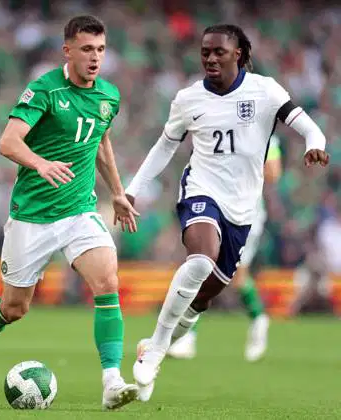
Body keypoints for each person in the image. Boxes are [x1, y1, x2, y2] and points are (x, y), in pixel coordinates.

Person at [121, 24, 329, 402]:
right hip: (201, 190)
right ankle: (153, 353)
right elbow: (164, 148)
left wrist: (314, 143)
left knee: (201, 299)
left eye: (219, 51)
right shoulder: (187, 99)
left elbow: (308, 126)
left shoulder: (265, 91)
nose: (211, 58)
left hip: (243, 209)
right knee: (200, 260)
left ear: (239, 55)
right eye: (205, 52)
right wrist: (132, 190)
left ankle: (157, 343)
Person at [0, 15, 139, 410]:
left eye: (101, 50)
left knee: (107, 280)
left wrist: (119, 193)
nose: (95, 58)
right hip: (33, 216)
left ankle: (111, 381)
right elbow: (8, 142)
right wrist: (39, 163)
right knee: (14, 308)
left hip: (79, 211)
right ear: (68, 50)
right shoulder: (44, 90)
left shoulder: (108, 95)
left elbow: (101, 142)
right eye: (87, 49)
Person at [167, 135, 282, 362]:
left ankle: (258, 317)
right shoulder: (218, 120)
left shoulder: (264, 132)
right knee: (203, 265)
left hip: (245, 213)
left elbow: (273, 173)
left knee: (237, 278)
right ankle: (187, 337)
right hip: (215, 205)